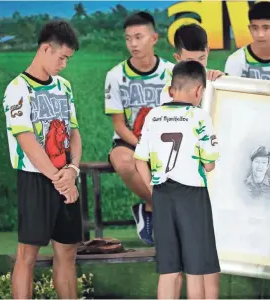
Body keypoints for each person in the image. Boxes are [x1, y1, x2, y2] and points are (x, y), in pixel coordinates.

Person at [3, 20, 82, 299]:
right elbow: (27, 141)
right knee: (28, 253)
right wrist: (60, 180)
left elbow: (74, 132)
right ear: (46, 49)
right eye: (62, 57)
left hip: (66, 178)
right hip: (36, 180)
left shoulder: (64, 86)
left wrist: (72, 170)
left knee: (67, 251)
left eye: (68, 59)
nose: (64, 64)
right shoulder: (18, 89)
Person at [135, 61, 220, 299]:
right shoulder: (200, 117)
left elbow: (139, 160)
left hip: (162, 194)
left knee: (168, 269)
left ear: (172, 89)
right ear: (198, 91)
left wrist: (153, 188)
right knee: (195, 269)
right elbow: (210, 163)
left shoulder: (153, 115)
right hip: (192, 196)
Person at [104, 12, 174, 245]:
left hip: (167, 140)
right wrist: (144, 146)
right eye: (128, 38)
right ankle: (162, 210)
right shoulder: (115, 76)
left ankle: (150, 210)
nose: (132, 44)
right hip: (129, 140)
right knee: (123, 161)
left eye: (138, 37)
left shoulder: (172, 72)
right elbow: (119, 125)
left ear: (154, 38)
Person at [160, 23, 225, 105]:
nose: (197, 65)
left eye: (201, 58)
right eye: (191, 61)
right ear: (178, 58)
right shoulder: (169, 92)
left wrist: (224, 80)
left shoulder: (216, 79)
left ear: (207, 51)